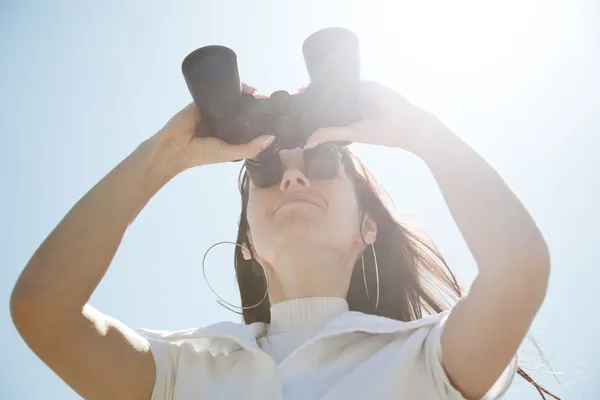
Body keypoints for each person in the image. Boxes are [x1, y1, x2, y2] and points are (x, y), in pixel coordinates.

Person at [10, 81, 556, 400]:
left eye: (324, 165)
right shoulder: (184, 369)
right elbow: (42, 310)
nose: (292, 179)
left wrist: (419, 131)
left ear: (370, 226)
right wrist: (165, 155)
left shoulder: (424, 358)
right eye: (266, 174)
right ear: (246, 240)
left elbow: (520, 268)